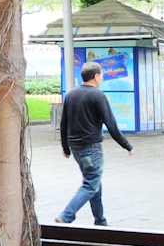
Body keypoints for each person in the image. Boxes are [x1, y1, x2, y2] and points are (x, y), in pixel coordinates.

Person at [56, 60, 133, 227]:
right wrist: (127, 145)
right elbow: (111, 125)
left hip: (76, 148)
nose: (102, 78)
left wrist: (66, 148)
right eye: (101, 75)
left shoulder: (71, 94)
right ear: (96, 76)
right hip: (91, 148)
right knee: (91, 184)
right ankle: (66, 216)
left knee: (94, 182)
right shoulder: (98, 95)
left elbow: (63, 124)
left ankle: (100, 221)